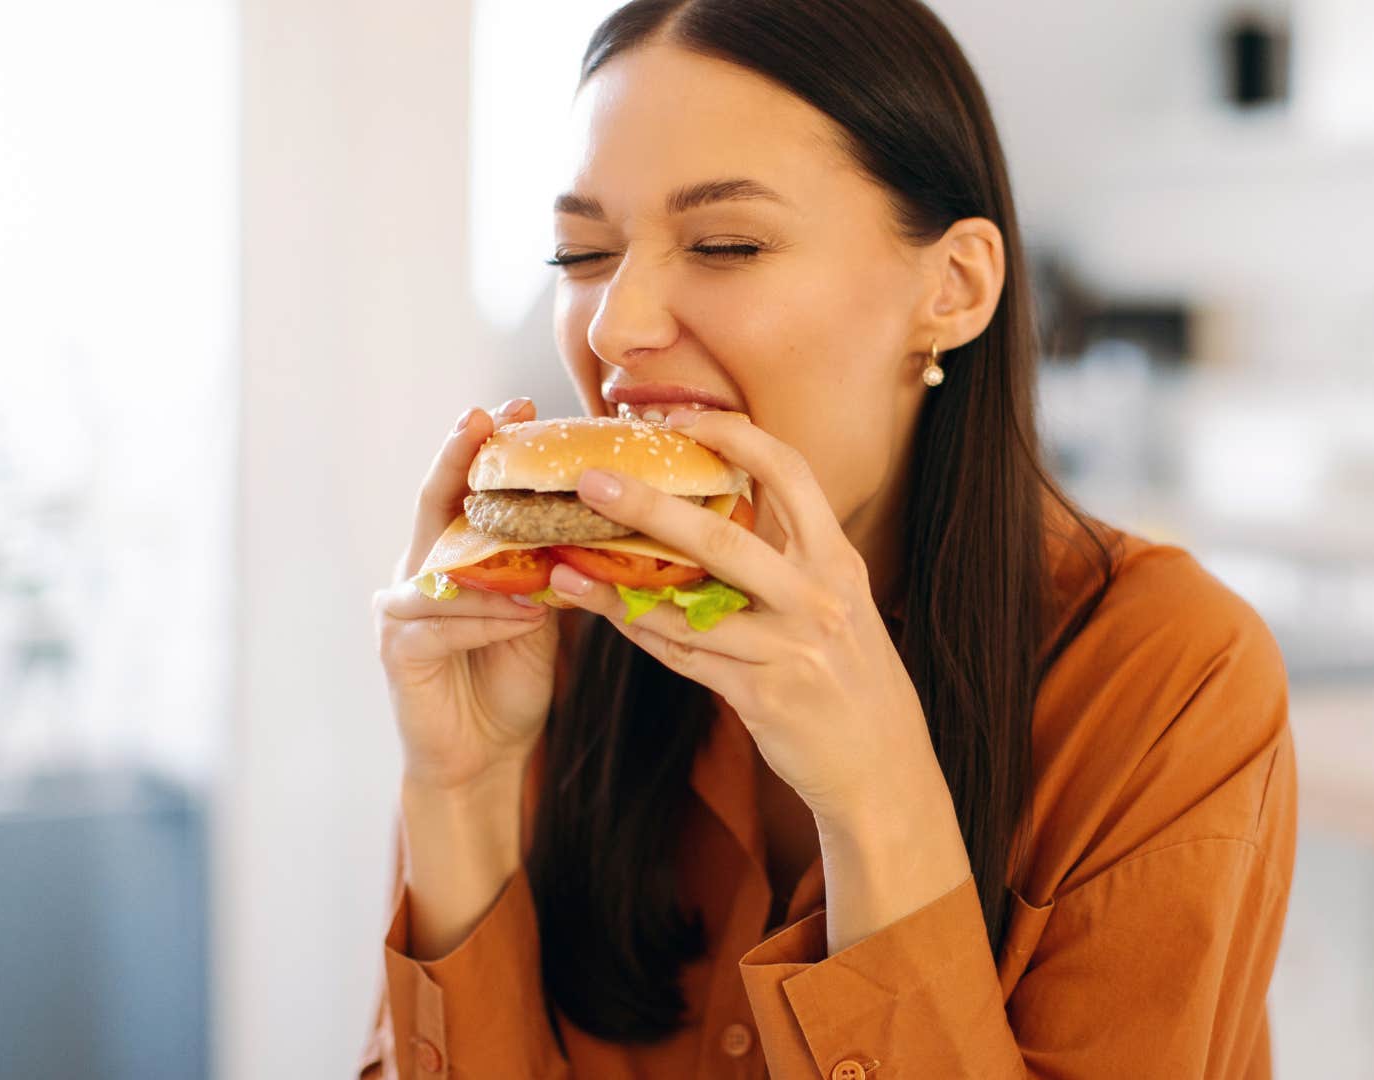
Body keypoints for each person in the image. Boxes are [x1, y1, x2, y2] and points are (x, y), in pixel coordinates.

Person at [362, 0, 1295, 1076]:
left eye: (725, 243)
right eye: (583, 251)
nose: (616, 326)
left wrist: (872, 797)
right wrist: (462, 791)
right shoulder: (547, 639)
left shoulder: (1168, 677)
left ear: (952, 290)